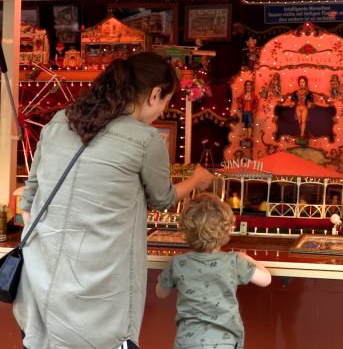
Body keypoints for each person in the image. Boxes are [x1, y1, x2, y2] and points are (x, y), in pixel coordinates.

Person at [15, 52, 213, 349]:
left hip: (41, 286)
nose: (161, 111)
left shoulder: (58, 121)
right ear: (154, 94)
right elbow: (163, 199)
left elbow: (29, 200)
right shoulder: (146, 139)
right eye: (165, 102)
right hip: (99, 297)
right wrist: (197, 180)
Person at [156, 193, 271, 349]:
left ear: (185, 231)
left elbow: (160, 293)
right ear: (227, 230)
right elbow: (266, 279)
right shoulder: (234, 261)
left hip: (188, 342)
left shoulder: (178, 263)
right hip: (225, 342)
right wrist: (247, 258)